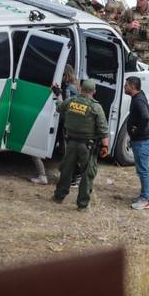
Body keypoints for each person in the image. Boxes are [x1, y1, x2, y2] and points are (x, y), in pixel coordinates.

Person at [51, 79, 109, 211]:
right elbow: (103, 129)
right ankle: (82, 204)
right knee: (87, 174)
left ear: (81, 89)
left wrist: (58, 94)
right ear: (94, 92)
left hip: (70, 143)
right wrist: (105, 147)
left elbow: (59, 107)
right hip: (87, 146)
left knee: (66, 170)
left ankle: (59, 196)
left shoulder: (71, 101)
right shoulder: (96, 107)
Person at [124, 76, 149, 210]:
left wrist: (136, 131)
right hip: (141, 139)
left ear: (132, 86)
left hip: (142, 140)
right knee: (142, 169)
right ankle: (144, 195)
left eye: (126, 85)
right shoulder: (138, 97)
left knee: (143, 170)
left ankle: (145, 199)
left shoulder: (138, 101)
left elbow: (144, 117)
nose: (124, 87)